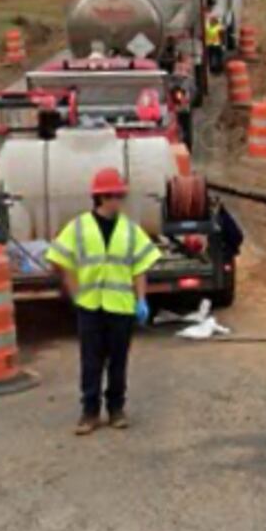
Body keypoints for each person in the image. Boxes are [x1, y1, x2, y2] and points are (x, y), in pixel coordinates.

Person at [47, 165, 164, 433]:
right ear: (100, 197)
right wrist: (75, 293)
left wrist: (141, 300)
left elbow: (140, 267)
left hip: (120, 307)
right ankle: (89, 412)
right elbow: (60, 259)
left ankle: (116, 409)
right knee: (91, 362)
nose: (117, 201)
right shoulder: (79, 227)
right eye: (112, 196)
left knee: (118, 361)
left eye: (119, 196)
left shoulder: (130, 230)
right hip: (90, 306)